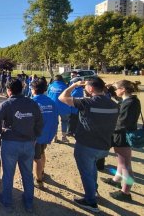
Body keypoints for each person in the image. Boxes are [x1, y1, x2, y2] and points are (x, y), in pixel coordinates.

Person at [59, 77, 119, 213]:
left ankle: (90, 202)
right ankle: (94, 191)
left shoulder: (87, 103)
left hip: (86, 145)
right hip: (104, 146)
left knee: (86, 172)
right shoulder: (114, 104)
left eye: (86, 87)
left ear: (91, 88)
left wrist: (74, 85)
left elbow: (62, 97)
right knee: (92, 169)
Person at [0, 79, 43, 213]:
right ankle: (29, 202)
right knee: (27, 173)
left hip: (11, 144)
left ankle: (7, 201)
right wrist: (34, 136)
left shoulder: (6, 104)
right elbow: (39, 123)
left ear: (9, 91)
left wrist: (0, 133)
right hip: (29, 144)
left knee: (8, 173)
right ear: (22, 89)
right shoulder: (33, 103)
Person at [101, 80, 141, 202]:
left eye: (116, 88)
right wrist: (107, 88)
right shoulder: (131, 100)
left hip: (123, 136)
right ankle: (116, 180)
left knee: (125, 165)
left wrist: (108, 129)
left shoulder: (129, 103)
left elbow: (122, 123)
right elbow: (118, 102)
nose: (115, 90)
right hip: (122, 135)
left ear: (123, 89)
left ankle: (125, 192)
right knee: (121, 161)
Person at [30, 80, 58, 189]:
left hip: (36, 136)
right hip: (46, 135)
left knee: (36, 158)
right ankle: (41, 171)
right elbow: (55, 120)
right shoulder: (51, 102)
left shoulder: (32, 102)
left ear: (33, 90)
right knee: (42, 153)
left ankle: (38, 180)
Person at [47, 75, 71, 143]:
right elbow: (69, 96)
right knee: (65, 121)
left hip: (53, 107)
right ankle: (64, 137)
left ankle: (55, 136)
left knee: (55, 122)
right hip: (64, 107)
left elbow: (48, 94)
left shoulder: (51, 86)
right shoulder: (65, 86)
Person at [67, 71, 84, 136]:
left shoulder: (78, 89)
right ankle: (70, 131)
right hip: (72, 108)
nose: (72, 82)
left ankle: (70, 132)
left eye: (73, 82)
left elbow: (71, 97)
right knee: (71, 120)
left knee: (72, 120)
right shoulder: (76, 88)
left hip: (74, 108)